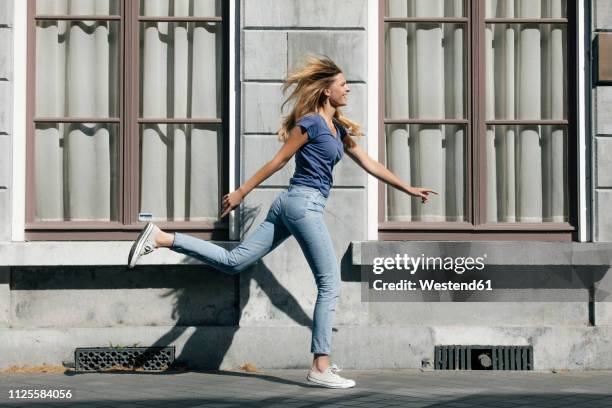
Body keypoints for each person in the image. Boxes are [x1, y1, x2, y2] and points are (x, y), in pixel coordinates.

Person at [127, 56, 436, 388]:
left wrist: (407, 187)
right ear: (326, 90)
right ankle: (320, 366)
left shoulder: (338, 129)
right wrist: (242, 191)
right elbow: (279, 159)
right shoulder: (312, 123)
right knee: (330, 285)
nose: (348, 88)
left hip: (292, 205)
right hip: (303, 205)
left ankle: (162, 238)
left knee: (235, 262)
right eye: (343, 84)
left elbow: (369, 162)